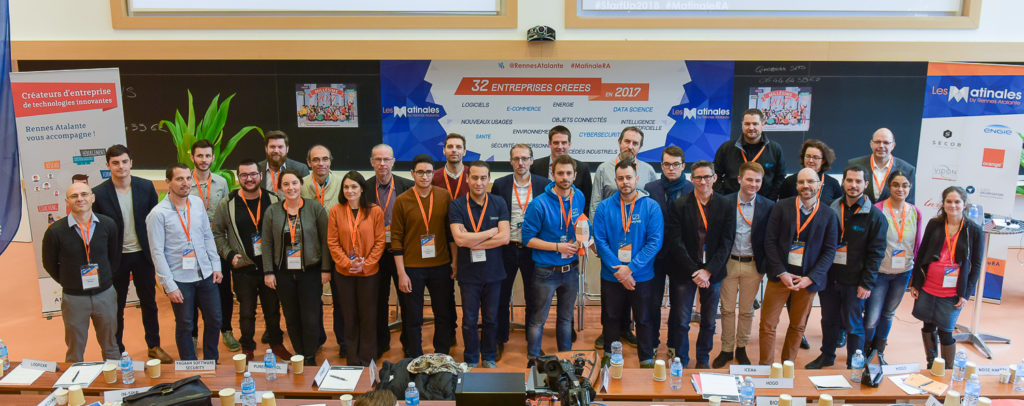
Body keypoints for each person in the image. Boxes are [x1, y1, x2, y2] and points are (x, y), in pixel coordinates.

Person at [91, 144, 171, 363]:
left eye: (124, 161)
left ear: (131, 163)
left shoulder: (146, 187)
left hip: (143, 255)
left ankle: (154, 346)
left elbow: (155, 221)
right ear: (108, 165)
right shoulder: (99, 193)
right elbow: (98, 232)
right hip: (116, 258)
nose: (121, 166)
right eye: (115, 163)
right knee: (116, 307)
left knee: (149, 303)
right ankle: (117, 350)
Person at [806, 166, 887, 369]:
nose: (853, 185)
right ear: (843, 182)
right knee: (828, 319)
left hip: (855, 281)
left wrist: (867, 284)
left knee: (853, 324)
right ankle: (827, 355)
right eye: (849, 180)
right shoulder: (831, 208)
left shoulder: (875, 217)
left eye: (858, 181)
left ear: (866, 184)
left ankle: (854, 363)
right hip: (830, 278)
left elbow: (876, 254)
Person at [212, 159, 291, 361]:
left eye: (253, 174)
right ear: (238, 178)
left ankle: (276, 344)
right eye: (244, 175)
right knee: (246, 312)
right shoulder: (227, 203)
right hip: (243, 269)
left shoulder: (274, 200)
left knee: (272, 310)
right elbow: (218, 233)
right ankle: (247, 347)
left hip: (269, 268)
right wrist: (229, 255)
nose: (249, 179)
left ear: (260, 176)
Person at [758, 168, 838, 364]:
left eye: (810, 181)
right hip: (780, 277)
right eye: (801, 182)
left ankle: (787, 365)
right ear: (796, 185)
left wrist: (811, 278)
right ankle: (765, 366)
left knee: (798, 326)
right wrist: (781, 272)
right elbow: (769, 241)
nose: (805, 186)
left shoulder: (829, 214)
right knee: (767, 325)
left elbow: (830, 251)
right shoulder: (781, 207)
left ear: (819, 184)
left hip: (807, 280)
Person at [146, 164, 223, 361]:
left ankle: (211, 361)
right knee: (186, 324)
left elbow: (207, 236)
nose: (185, 183)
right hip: (180, 280)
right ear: (168, 182)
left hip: (205, 273)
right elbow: (157, 253)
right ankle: (189, 366)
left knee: (215, 319)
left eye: (188, 178)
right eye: (179, 179)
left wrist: (216, 265)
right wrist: (169, 286)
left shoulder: (196, 203)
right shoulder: (158, 214)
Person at [593, 158, 663, 367]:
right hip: (611, 275)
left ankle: (646, 358)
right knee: (611, 316)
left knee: (644, 318)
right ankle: (610, 354)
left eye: (629, 178)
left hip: (642, 275)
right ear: (615, 181)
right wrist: (620, 271)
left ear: (637, 179)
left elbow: (654, 242)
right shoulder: (604, 207)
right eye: (621, 178)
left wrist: (630, 269)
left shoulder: (651, 206)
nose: (625, 182)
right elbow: (600, 241)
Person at [42, 183, 121, 362]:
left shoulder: (108, 225)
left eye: (84, 194)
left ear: (92, 198)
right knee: (75, 350)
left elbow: (115, 257)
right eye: (74, 196)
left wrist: (105, 278)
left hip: (105, 295)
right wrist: (70, 281)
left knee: (111, 345)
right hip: (74, 299)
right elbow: (49, 264)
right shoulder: (55, 231)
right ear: (67, 201)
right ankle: (75, 379)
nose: (80, 199)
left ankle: (114, 377)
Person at [665, 160, 730, 369]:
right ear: (691, 179)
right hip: (685, 272)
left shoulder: (726, 205)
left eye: (707, 177)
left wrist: (708, 271)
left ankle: (703, 359)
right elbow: (675, 242)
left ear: (714, 178)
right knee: (681, 320)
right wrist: (695, 271)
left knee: (709, 321)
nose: (703, 181)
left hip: (713, 272)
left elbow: (726, 243)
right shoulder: (679, 205)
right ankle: (682, 360)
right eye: (698, 177)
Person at [523, 154, 588, 362]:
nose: (565, 177)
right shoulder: (538, 204)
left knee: (566, 318)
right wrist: (558, 246)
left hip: (570, 270)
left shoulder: (579, 196)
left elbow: (579, 224)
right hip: (546, 272)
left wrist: (582, 240)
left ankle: (565, 358)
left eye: (569, 173)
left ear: (575, 175)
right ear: (553, 174)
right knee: (538, 319)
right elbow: (527, 239)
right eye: (560, 173)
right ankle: (533, 359)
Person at [262, 170, 331, 365]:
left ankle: (309, 356)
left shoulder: (314, 208)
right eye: (286, 184)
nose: (290, 187)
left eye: (294, 183)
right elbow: (267, 243)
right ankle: (299, 353)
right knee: (291, 317)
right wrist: (268, 271)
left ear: (301, 184)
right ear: (280, 188)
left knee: (310, 317)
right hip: (283, 274)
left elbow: (325, 240)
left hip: (310, 272)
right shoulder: (272, 211)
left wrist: (326, 269)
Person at [392, 154, 458, 357]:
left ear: (433, 174)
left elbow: (450, 233)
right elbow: (396, 239)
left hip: (441, 265)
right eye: (420, 172)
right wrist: (401, 273)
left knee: (443, 313)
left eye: (429, 172)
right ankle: (415, 355)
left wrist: (455, 261)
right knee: (413, 317)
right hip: (412, 268)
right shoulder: (402, 201)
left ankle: (441, 354)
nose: (424, 176)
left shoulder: (444, 196)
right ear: (412, 174)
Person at [910, 186, 983, 369]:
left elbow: (976, 265)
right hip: (929, 286)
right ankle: (932, 364)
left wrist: (966, 293)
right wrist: (916, 283)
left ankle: (947, 370)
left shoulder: (973, 230)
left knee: (946, 332)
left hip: (952, 291)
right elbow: (922, 254)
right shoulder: (934, 224)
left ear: (964, 204)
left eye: (957, 202)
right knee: (928, 326)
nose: (953, 205)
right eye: (948, 201)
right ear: (943, 204)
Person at [712, 162, 775, 368]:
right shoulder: (725, 202)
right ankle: (726, 349)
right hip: (729, 263)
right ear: (739, 179)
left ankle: (741, 347)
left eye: (757, 181)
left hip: (753, 265)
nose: (753, 184)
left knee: (747, 311)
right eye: (749, 179)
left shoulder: (768, 206)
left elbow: (771, 238)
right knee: (727, 309)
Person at [449, 161, 510, 368]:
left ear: (489, 179)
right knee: (469, 320)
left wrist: (472, 240)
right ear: (467, 179)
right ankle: (471, 357)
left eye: (483, 178)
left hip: (494, 273)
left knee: (491, 319)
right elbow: (459, 240)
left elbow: (505, 238)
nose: (479, 182)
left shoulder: (499, 202)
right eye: (474, 177)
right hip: (469, 275)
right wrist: (490, 233)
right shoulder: (457, 205)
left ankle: (489, 356)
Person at [492, 144, 549, 360]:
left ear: (532, 160)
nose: (520, 163)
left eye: (525, 158)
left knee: (534, 298)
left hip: (533, 250)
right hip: (506, 248)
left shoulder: (544, 184)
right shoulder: (500, 184)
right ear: (511, 161)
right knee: (501, 296)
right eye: (516, 159)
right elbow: (494, 215)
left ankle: (533, 342)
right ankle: (499, 339)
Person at [327, 171, 386, 366]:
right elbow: (332, 242)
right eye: (346, 187)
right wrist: (347, 263)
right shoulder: (336, 211)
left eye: (354, 186)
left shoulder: (375, 211)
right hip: (344, 273)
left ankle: (367, 358)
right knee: (349, 316)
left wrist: (365, 264)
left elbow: (380, 242)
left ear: (362, 189)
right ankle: (352, 358)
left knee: (368, 317)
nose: (350, 190)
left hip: (369, 273)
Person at [864, 170, 923, 355]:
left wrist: (916, 276)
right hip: (880, 272)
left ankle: (878, 351)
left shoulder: (915, 212)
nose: (900, 189)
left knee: (889, 313)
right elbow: (868, 243)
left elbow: (917, 244)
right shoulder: (877, 209)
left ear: (910, 187)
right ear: (889, 187)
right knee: (872, 317)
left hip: (903, 273)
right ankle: (864, 350)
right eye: (896, 185)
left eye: (905, 185)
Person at [364, 144, 415, 356]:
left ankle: (409, 344)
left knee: (407, 300)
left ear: (393, 161)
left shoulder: (408, 186)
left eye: (386, 159)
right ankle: (381, 343)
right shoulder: (364, 187)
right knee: (378, 300)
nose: (382, 164)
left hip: (402, 252)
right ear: (371, 162)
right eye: (378, 159)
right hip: (375, 253)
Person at [188, 139, 237, 352]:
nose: (204, 159)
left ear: (213, 157)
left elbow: (226, 214)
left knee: (224, 290)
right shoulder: (185, 182)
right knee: (192, 291)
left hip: (217, 244)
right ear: (192, 157)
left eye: (208, 155)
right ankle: (192, 335)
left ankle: (226, 329)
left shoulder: (221, 182)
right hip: (192, 247)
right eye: (199, 155)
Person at [643, 145, 693, 355]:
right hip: (655, 256)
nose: (671, 168)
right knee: (652, 303)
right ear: (661, 165)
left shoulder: (692, 189)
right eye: (666, 164)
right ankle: (653, 343)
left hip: (683, 256)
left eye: (675, 164)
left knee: (680, 306)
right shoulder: (650, 188)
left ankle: (674, 344)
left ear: (683, 165)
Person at [300, 144, 344, 357]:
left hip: (337, 252)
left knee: (341, 302)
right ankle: (316, 338)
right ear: (309, 163)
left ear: (330, 161)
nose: (321, 163)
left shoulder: (342, 183)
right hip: (311, 253)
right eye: (316, 159)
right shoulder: (300, 185)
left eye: (325, 159)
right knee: (312, 301)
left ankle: (343, 341)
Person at [712, 108, 786, 199]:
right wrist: (724, 198)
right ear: (742, 124)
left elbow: (780, 178)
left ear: (762, 124)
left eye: (755, 124)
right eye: (747, 124)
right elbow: (714, 174)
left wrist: (769, 201)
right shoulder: (726, 148)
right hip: (732, 203)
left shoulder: (775, 149)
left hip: (764, 204)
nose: (751, 128)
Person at [589, 126, 658, 218]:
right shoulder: (603, 169)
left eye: (635, 143)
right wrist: (595, 226)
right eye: (627, 141)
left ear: (640, 147)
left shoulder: (648, 171)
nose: (630, 147)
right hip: (610, 223)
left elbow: (654, 205)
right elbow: (595, 204)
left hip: (639, 223)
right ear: (619, 142)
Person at [531, 126, 592, 211]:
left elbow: (587, 201)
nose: (560, 147)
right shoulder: (535, 166)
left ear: (569, 144)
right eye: (556, 143)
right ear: (549, 143)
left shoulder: (582, 168)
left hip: (571, 216)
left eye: (564, 143)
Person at [848, 128, 917, 204]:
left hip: (891, 211)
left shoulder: (907, 170)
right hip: (860, 211)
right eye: (877, 142)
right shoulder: (854, 164)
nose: (881, 146)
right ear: (871, 144)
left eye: (886, 143)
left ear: (893, 145)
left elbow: (909, 204)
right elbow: (846, 196)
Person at [258, 131, 310, 195]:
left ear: (287, 149)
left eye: (280, 147)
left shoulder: (301, 169)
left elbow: (306, 196)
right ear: (266, 149)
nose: (276, 151)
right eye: (272, 147)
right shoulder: (257, 169)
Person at [432, 133, 470, 200]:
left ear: (464, 152)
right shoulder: (433, 177)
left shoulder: (472, 176)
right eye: (450, 147)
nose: (454, 150)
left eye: (458, 147)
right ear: (444, 151)